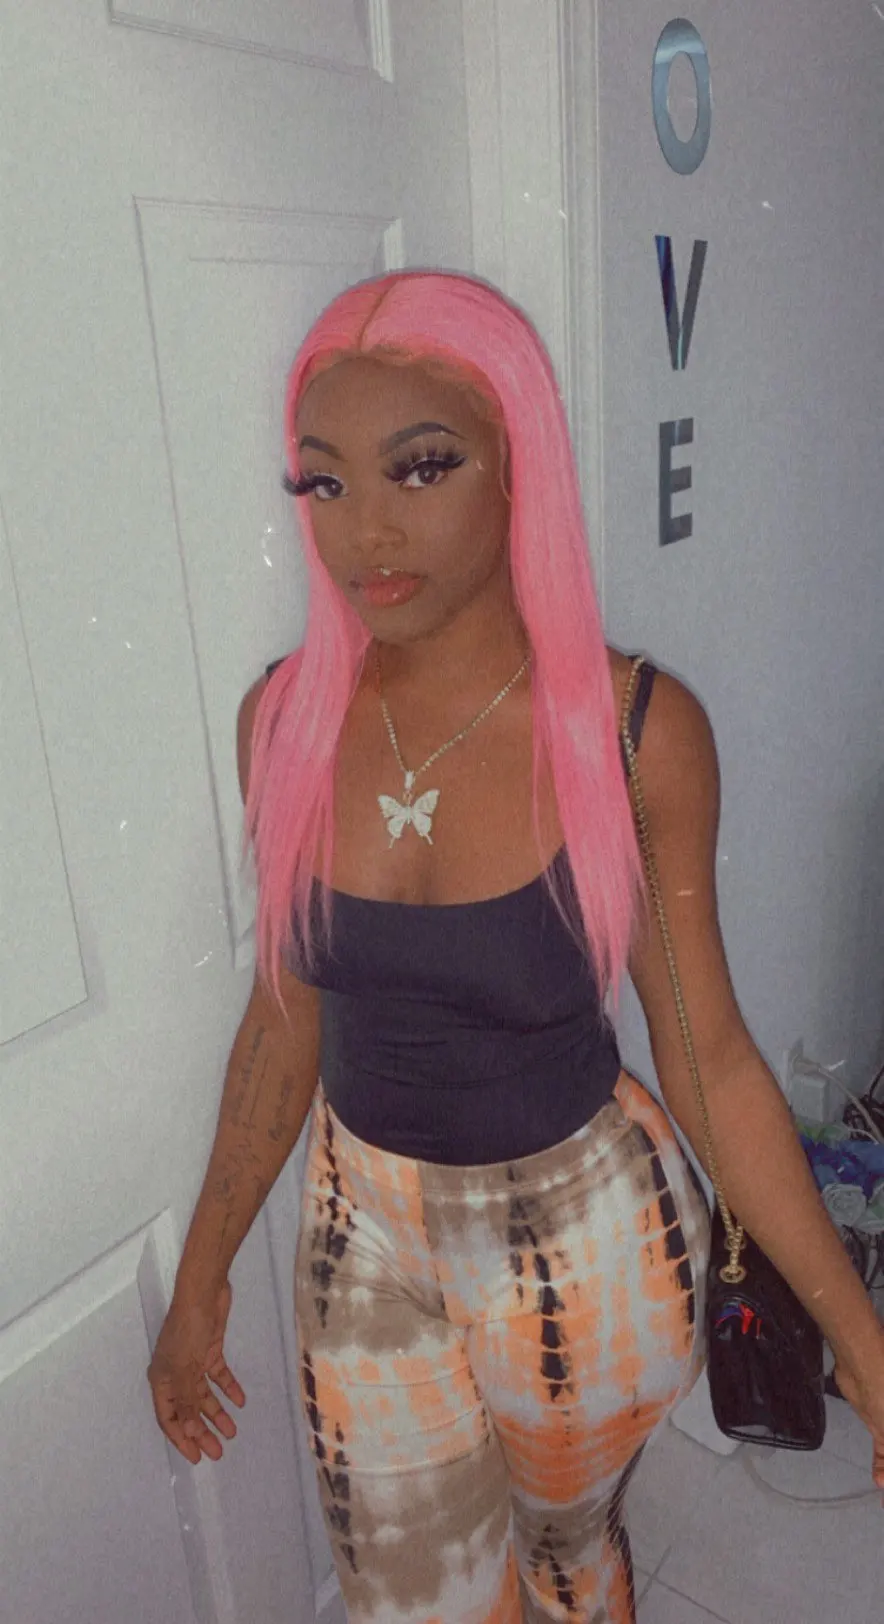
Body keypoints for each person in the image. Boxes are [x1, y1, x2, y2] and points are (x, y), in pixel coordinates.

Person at [148, 270, 884, 1623]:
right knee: (411, 1598)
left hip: (585, 1242)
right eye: (324, 482)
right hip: (359, 1228)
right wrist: (199, 1283)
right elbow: (281, 1025)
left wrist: (862, 1338)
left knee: (567, 1565)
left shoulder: (634, 732)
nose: (367, 528)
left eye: (422, 466)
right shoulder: (284, 723)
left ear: (516, 465)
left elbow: (710, 1059)